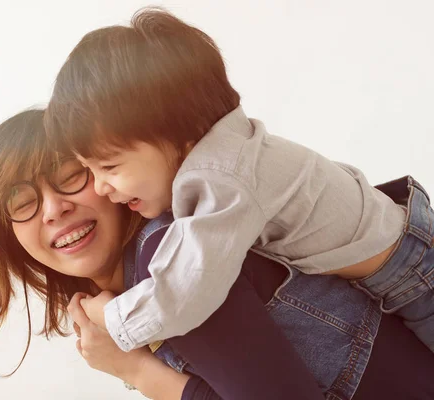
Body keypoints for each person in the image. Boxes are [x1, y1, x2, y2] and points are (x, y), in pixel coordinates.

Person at [0, 109, 434, 399]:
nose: (54, 208)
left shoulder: (171, 259)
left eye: (69, 177)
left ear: (109, 175)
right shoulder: (131, 291)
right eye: (22, 203)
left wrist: (134, 370)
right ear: (8, 238)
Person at [44, 7, 434, 354]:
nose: (99, 188)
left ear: (183, 135)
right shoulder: (231, 147)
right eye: (89, 170)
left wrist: (111, 315)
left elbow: (185, 294)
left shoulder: (222, 179)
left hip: (416, 278)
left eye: (110, 167)